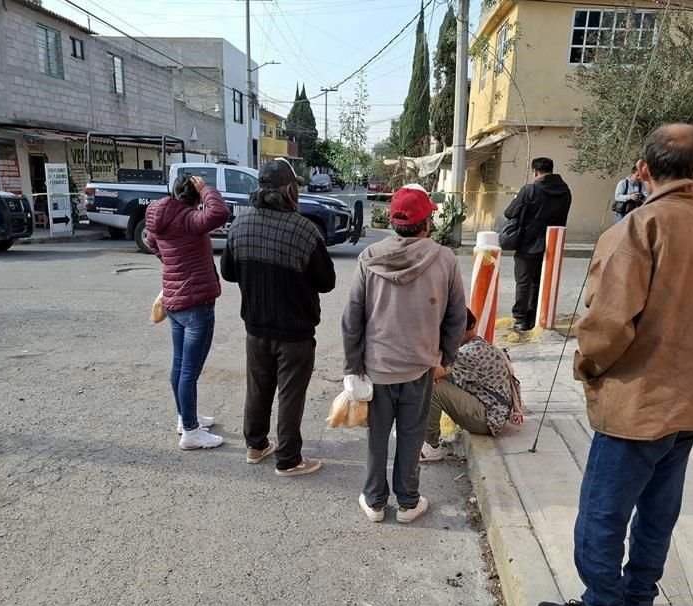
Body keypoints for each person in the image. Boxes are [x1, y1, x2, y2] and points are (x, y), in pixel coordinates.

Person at [537, 124, 693, 606]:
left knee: (603, 511)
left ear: (643, 170)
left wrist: (589, 368)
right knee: (658, 512)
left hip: (637, 405)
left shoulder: (636, 229)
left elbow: (608, 325)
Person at [342, 184, 467, 524]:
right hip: (420, 368)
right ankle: (409, 503)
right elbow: (457, 316)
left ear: (394, 221)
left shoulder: (370, 257)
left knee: (377, 438)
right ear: (426, 222)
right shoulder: (444, 259)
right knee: (411, 437)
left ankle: (375, 502)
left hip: (377, 370)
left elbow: (352, 317)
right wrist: (446, 358)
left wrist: (352, 367)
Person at [221, 159, 336, 477]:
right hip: (295, 334)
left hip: (256, 329)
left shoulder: (240, 225)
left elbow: (228, 272)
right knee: (290, 394)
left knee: (258, 388)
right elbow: (327, 282)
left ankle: (256, 445)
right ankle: (288, 459)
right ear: (290, 190)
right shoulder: (304, 230)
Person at [146, 174, 230, 450]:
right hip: (196, 304)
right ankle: (191, 432)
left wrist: (170, 263)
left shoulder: (159, 214)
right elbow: (219, 213)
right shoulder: (188, 219)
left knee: (180, 364)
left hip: (174, 302)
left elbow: (152, 242)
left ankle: (185, 418)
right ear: (194, 196)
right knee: (188, 371)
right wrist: (206, 189)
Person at [419, 309, 521, 462]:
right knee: (440, 379)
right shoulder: (478, 343)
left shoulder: (468, 353)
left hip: (488, 419)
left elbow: (429, 373)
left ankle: (432, 446)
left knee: (433, 388)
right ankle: (417, 428)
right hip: (493, 408)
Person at [498, 157, 572, 332]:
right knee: (540, 282)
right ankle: (534, 318)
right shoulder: (565, 191)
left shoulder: (530, 190)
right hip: (552, 245)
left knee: (523, 282)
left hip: (528, 244)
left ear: (535, 172)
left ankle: (520, 320)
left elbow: (510, 212)